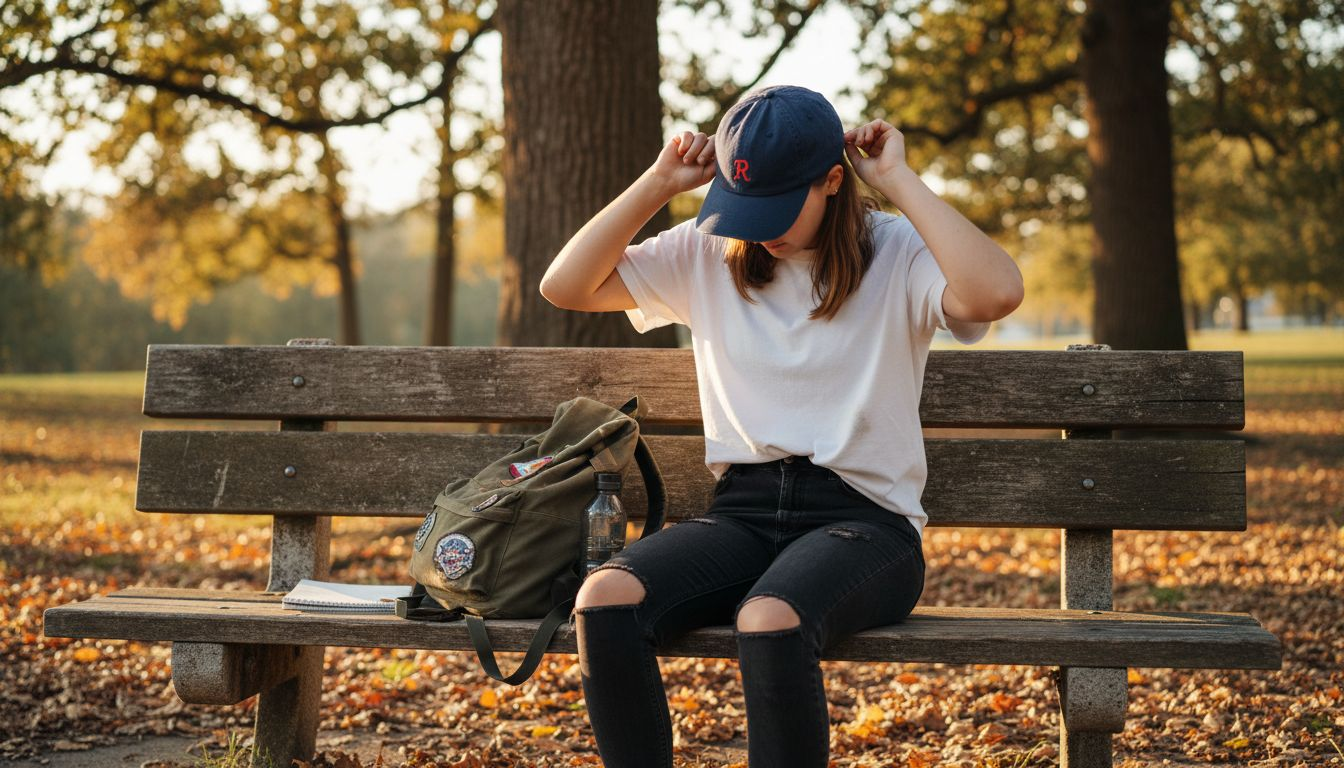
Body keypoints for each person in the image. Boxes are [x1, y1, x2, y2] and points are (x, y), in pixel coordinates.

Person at [539, 84, 1023, 767]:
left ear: (832, 180)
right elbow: (565, 286)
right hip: (742, 513)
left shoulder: (898, 251)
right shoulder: (708, 252)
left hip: (865, 524)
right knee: (605, 598)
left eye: (772, 205)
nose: (754, 225)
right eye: (743, 205)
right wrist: (658, 182)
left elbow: (997, 291)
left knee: (768, 619)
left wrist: (897, 179)